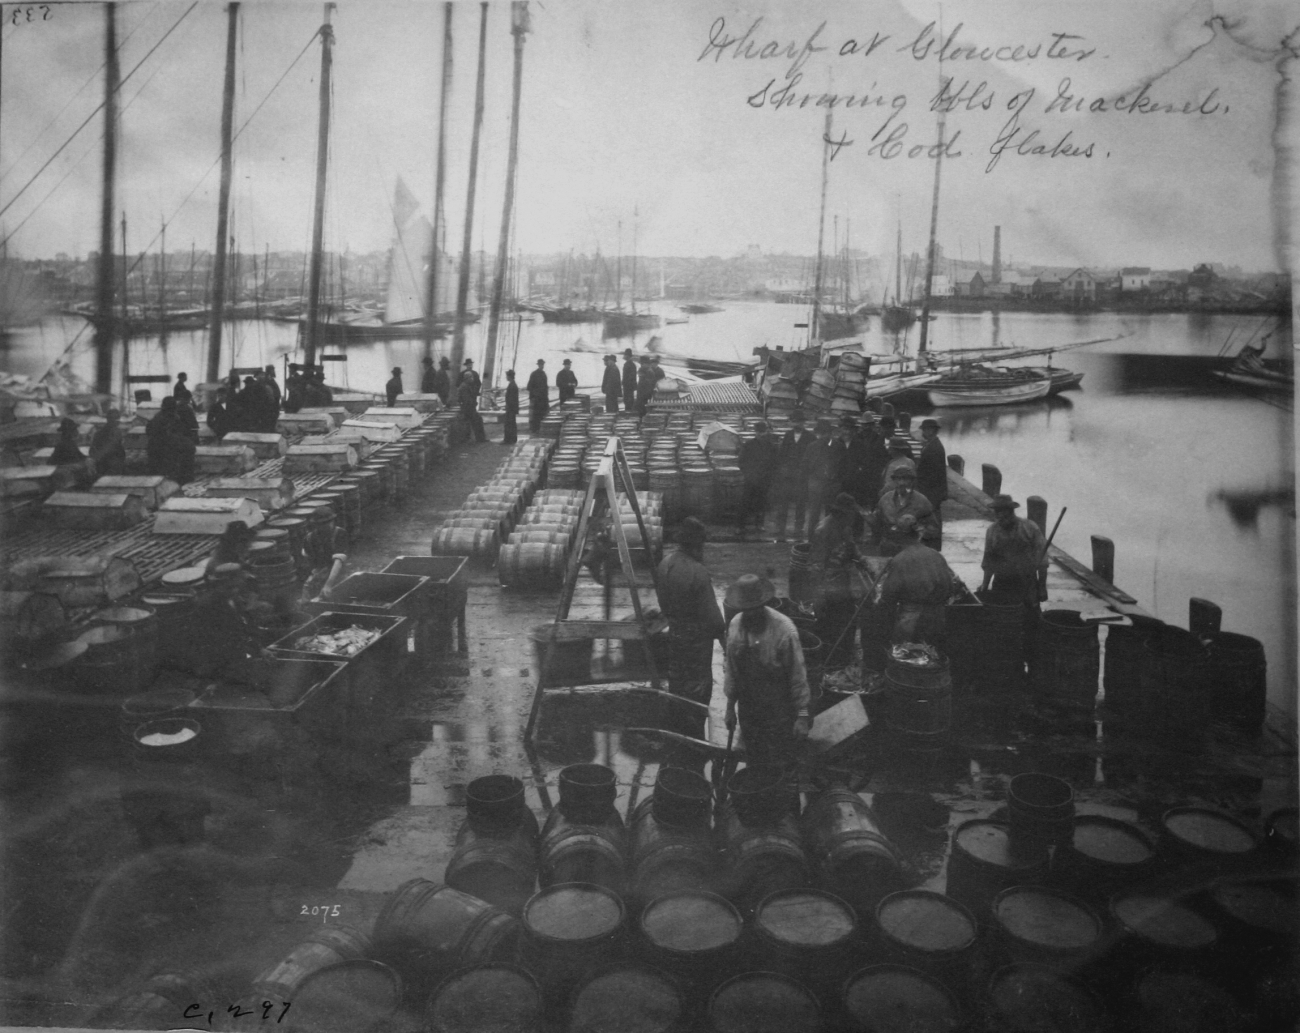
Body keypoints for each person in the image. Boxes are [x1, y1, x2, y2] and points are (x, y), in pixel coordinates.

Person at [722, 574, 812, 770]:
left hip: (779, 711)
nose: (750, 614)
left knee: (780, 763)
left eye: (754, 608)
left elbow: (799, 679)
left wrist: (803, 717)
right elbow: (732, 669)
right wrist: (730, 708)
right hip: (749, 709)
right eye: (746, 609)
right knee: (755, 762)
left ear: (763, 603)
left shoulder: (784, 630)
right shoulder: (736, 625)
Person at [656, 517, 728, 749]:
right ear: (698, 545)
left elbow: (663, 604)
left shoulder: (664, 564)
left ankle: (677, 737)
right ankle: (694, 741)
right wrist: (726, 645)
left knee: (677, 685)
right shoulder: (698, 572)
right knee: (698, 690)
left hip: (675, 635)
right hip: (696, 644)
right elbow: (714, 619)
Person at [980, 494, 1049, 667]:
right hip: (1002, 583)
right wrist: (985, 585)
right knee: (1005, 625)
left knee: (1031, 623)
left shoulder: (1029, 528)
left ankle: (1033, 663)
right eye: (998, 514)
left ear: (1012, 512)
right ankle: (1009, 665)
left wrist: (1042, 587)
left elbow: (1042, 561)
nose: (1001, 518)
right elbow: (989, 561)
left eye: (1005, 513)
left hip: (1027, 582)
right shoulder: (992, 531)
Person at [875, 514, 956, 648]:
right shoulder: (936, 555)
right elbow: (950, 588)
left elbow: (889, 595)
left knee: (907, 657)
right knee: (932, 657)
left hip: (911, 620)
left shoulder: (900, 560)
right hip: (938, 618)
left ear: (900, 536)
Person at [809, 492, 870, 667]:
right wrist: (818, 596)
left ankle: (843, 656)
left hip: (843, 580)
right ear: (841, 513)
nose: (852, 517)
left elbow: (851, 547)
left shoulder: (845, 526)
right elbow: (816, 565)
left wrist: (863, 560)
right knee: (830, 623)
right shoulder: (823, 530)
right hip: (828, 583)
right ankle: (830, 661)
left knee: (846, 619)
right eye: (850, 513)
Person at [872, 465, 940, 556]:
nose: (901, 483)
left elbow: (933, 528)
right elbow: (877, 523)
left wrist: (918, 531)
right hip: (888, 548)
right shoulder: (885, 499)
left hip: (912, 550)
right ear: (894, 481)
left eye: (905, 479)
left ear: (912, 481)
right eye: (898, 479)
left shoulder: (922, 501)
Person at [772, 411, 815, 542]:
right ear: (792, 422)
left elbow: (812, 457)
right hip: (787, 475)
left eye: (800, 422)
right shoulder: (788, 435)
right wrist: (782, 470)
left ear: (804, 423)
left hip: (802, 476)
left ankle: (798, 529)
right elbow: (781, 454)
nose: (798, 424)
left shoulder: (810, 437)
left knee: (800, 503)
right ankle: (780, 529)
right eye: (795, 421)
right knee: (783, 503)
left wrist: (806, 471)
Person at [737, 421, 778, 536]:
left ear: (766, 432)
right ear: (755, 432)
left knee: (761, 503)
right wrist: (748, 474)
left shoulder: (771, 446)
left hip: (764, 480)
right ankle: (740, 526)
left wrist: (769, 476)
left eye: (763, 432)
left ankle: (759, 525)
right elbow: (741, 462)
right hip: (751, 479)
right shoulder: (748, 445)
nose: (761, 434)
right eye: (758, 432)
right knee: (745, 503)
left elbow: (775, 463)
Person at [804, 418, 840, 538]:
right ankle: (812, 539)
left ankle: (828, 538)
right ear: (818, 433)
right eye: (822, 433)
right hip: (816, 484)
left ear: (831, 433)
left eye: (827, 433)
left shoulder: (837, 447)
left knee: (830, 513)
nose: (824, 436)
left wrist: (835, 477)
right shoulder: (812, 447)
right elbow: (806, 465)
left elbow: (843, 465)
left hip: (832, 484)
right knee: (814, 513)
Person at [916, 419, 949, 536]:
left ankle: (934, 542)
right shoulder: (932, 444)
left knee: (932, 517)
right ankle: (934, 541)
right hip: (933, 489)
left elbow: (934, 473)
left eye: (925, 430)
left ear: (931, 431)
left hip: (932, 489)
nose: (923, 433)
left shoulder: (934, 448)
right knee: (933, 517)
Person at [89, 409, 126, 476]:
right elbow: (113, 446)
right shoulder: (116, 432)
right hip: (113, 464)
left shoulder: (98, 433)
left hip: (102, 464)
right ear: (108, 419)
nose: (117, 421)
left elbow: (92, 451)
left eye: (117, 418)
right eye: (114, 418)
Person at [458, 370, 487, 443]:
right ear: (467, 378)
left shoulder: (466, 385)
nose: (472, 378)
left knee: (478, 420)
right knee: (478, 420)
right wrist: (474, 403)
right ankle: (480, 439)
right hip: (467, 408)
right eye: (471, 377)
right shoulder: (464, 386)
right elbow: (467, 400)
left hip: (469, 408)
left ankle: (480, 438)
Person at [527, 359, 549, 434]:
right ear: (538, 365)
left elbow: (545, 387)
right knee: (535, 415)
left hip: (543, 399)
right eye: (540, 365)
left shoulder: (544, 374)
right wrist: (535, 395)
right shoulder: (534, 374)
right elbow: (529, 387)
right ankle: (534, 429)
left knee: (542, 414)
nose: (542, 366)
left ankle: (540, 429)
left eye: (542, 365)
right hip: (536, 399)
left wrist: (546, 398)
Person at [503, 369, 519, 445]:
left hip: (511, 408)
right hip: (512, 408)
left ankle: (508, 440)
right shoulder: (513, 384)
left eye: (507, 375)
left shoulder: (512, 385)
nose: (506, 377)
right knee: (512, 424)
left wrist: (508, 407)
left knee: (509, 424)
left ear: (509, 376)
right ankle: (512, 439)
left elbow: (511, 399)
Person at [622, 348, 637, 413]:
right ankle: (628, 412)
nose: (624, 356)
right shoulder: (629, 364)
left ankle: (629, 413)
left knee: (628, 401)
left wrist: (625, 383)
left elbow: (631, 377)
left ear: (627, 356)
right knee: (628, 401)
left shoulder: (630, 364)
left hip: (628, 387)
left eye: (625, 355)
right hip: (628, 386)